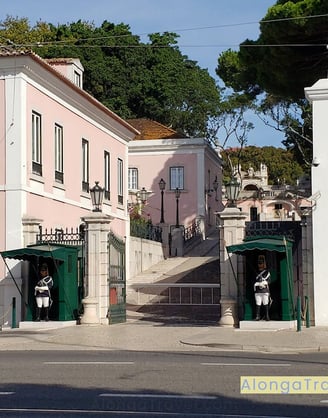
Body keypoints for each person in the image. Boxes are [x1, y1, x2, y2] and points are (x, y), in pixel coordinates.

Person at [253, 255, 271, 321]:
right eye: (259, 263)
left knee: (265, 303)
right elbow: (253, 281)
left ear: (264, 263)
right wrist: (257, 284)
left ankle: (267, 316)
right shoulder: (256, 272)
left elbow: (269, 281)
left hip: (264, 290)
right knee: (258, 303)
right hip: (258, 291)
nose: (260, 264)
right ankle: (257, 316)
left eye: (261, 263)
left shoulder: (267, 272)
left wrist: (264, 283)